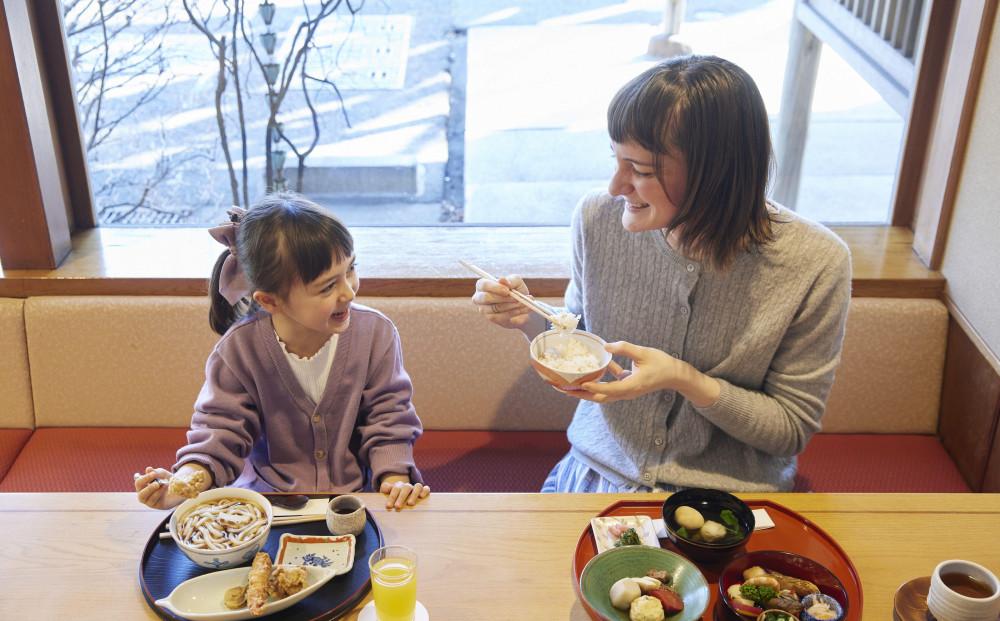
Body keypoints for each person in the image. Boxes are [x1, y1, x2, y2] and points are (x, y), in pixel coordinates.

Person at [472, 55, 851, 493]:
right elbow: (582, 341)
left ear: (715, 175)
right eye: (616, 159)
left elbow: (789, 429)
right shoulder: (597, 219)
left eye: (641, 170)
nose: (616, 186)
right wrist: (529, 319)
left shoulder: (815, 261)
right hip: (599, 474)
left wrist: (684, 379)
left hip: (726, 501)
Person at [135, 194, 429, 510]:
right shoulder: (238, 351)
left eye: (351, 269)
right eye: (327, 286)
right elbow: (220, 430)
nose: (349, 292)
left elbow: (388, 417)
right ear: (270, 301)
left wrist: (394, 479)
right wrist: (183, 482)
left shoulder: (376, 334)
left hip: (355, 500)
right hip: (269, 503)